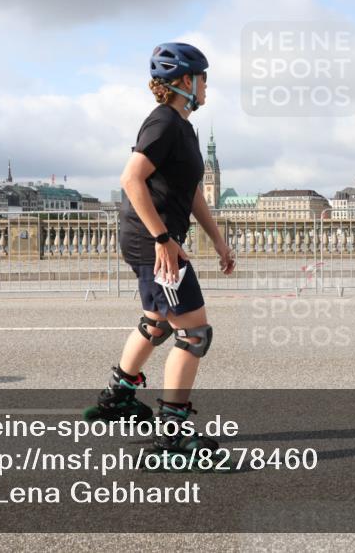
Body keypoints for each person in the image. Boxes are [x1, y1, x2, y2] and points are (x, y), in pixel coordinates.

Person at [86, 42, 236, 456]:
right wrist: (163, 240)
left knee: (159, 320)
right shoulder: (164, 123)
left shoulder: (182, 127)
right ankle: (173, 432)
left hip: (155, 240)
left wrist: (219, 241)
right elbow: (131, 179)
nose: (207, 86)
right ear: (186, 81)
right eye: (204, 78)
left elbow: (192, 195)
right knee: (194, 333)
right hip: (154, 243)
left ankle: (119, 395)